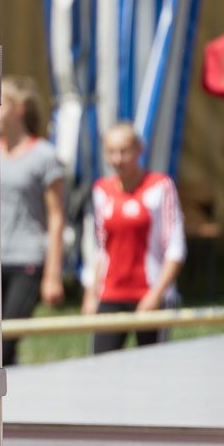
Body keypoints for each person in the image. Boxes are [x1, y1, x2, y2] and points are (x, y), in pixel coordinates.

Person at [82, 122, 186, 353]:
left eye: (124, 151)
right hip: (111, 293)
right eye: (112, 152)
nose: (118, 159)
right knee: (99, 366)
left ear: (140, 149)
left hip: (149, 292)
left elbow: (175, 248)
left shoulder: (161, 187)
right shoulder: (101, 190)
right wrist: (91, 294)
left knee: (151, 372)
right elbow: (101, 249)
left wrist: (156, 294)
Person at [0, 76, 65, 366]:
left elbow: (57, 216)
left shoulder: (44, 156)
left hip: (28, 258)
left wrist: (52, 274)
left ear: (19, 110)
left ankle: (6, 407)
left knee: (5, 342)